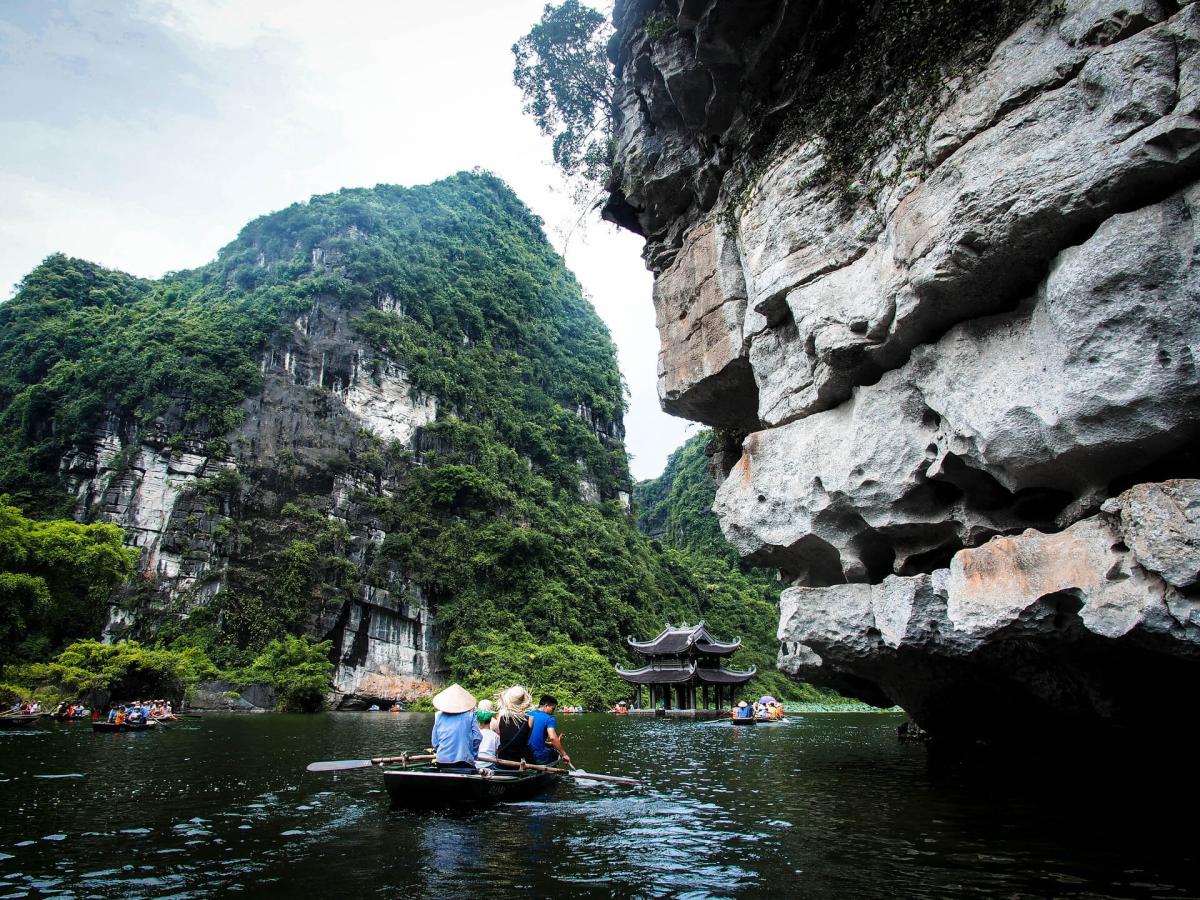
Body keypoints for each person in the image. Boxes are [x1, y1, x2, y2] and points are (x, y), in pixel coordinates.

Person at [430, 683, 481, 773]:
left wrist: (442, 751)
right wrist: (472, 754)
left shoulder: (439, 716)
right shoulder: (470, 716)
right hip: (464, 761)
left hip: (442, 761)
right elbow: (477, 738)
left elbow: (435, 742)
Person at [528, 695, 570, 767]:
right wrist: (564, 754)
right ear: (546, 705)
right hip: (538, 757)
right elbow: (553, 738)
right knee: (555, 754)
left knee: (550, 747)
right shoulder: (549, 718)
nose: (553, 712)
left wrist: (549, 744)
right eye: (552, 709)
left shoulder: (528, 714)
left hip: (525, 754)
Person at [495, 685, 534, 761]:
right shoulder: (530, 719)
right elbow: (526, 740)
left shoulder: (501, 717)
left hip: (503, 757)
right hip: (519, 758)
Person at [475, 699, 500, 764]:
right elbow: (497, 752)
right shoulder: (495, 735)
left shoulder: (475, 732)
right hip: (490, 763)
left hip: (476, 762)